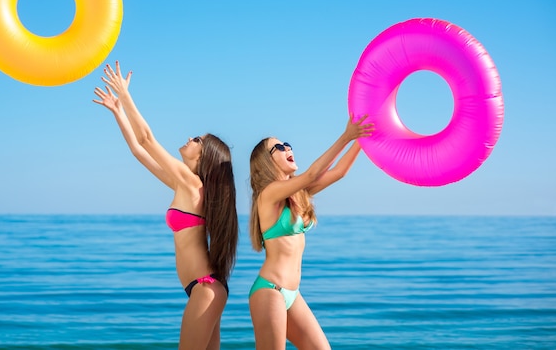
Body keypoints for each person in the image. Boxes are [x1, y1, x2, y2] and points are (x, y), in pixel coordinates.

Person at [93, 61, 239, 350]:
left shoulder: (189, 182)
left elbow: (147, 139)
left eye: (196, 139)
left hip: (204, 287)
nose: (188, 138)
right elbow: (138, 151)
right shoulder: (187, 187)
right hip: (206, 287)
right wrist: (118, 112)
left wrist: (126, 95)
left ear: (205, 157)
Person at [248, 116, 374, 349]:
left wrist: (364, 137)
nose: (287, 148)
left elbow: (339, 172)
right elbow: (310, 174)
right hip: (270, 291)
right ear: (265, 162)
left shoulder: (298, 194)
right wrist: (347, 136)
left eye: (287, 144)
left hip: (292, 293)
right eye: (278, 147)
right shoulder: (268, 194)